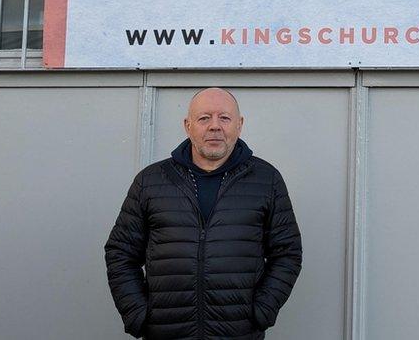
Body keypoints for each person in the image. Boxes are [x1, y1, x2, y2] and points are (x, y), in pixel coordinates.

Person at [104, 87, 302, 339]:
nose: (215, 126)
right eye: (204, 118)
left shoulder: (266, 180)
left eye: (225, 118)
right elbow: (120, 252)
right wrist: (138, 314)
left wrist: (262, 311)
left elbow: (287, 253)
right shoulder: (151, 181)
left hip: (238, 332)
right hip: (166, 331)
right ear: (188, 125)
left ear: (239, 125)